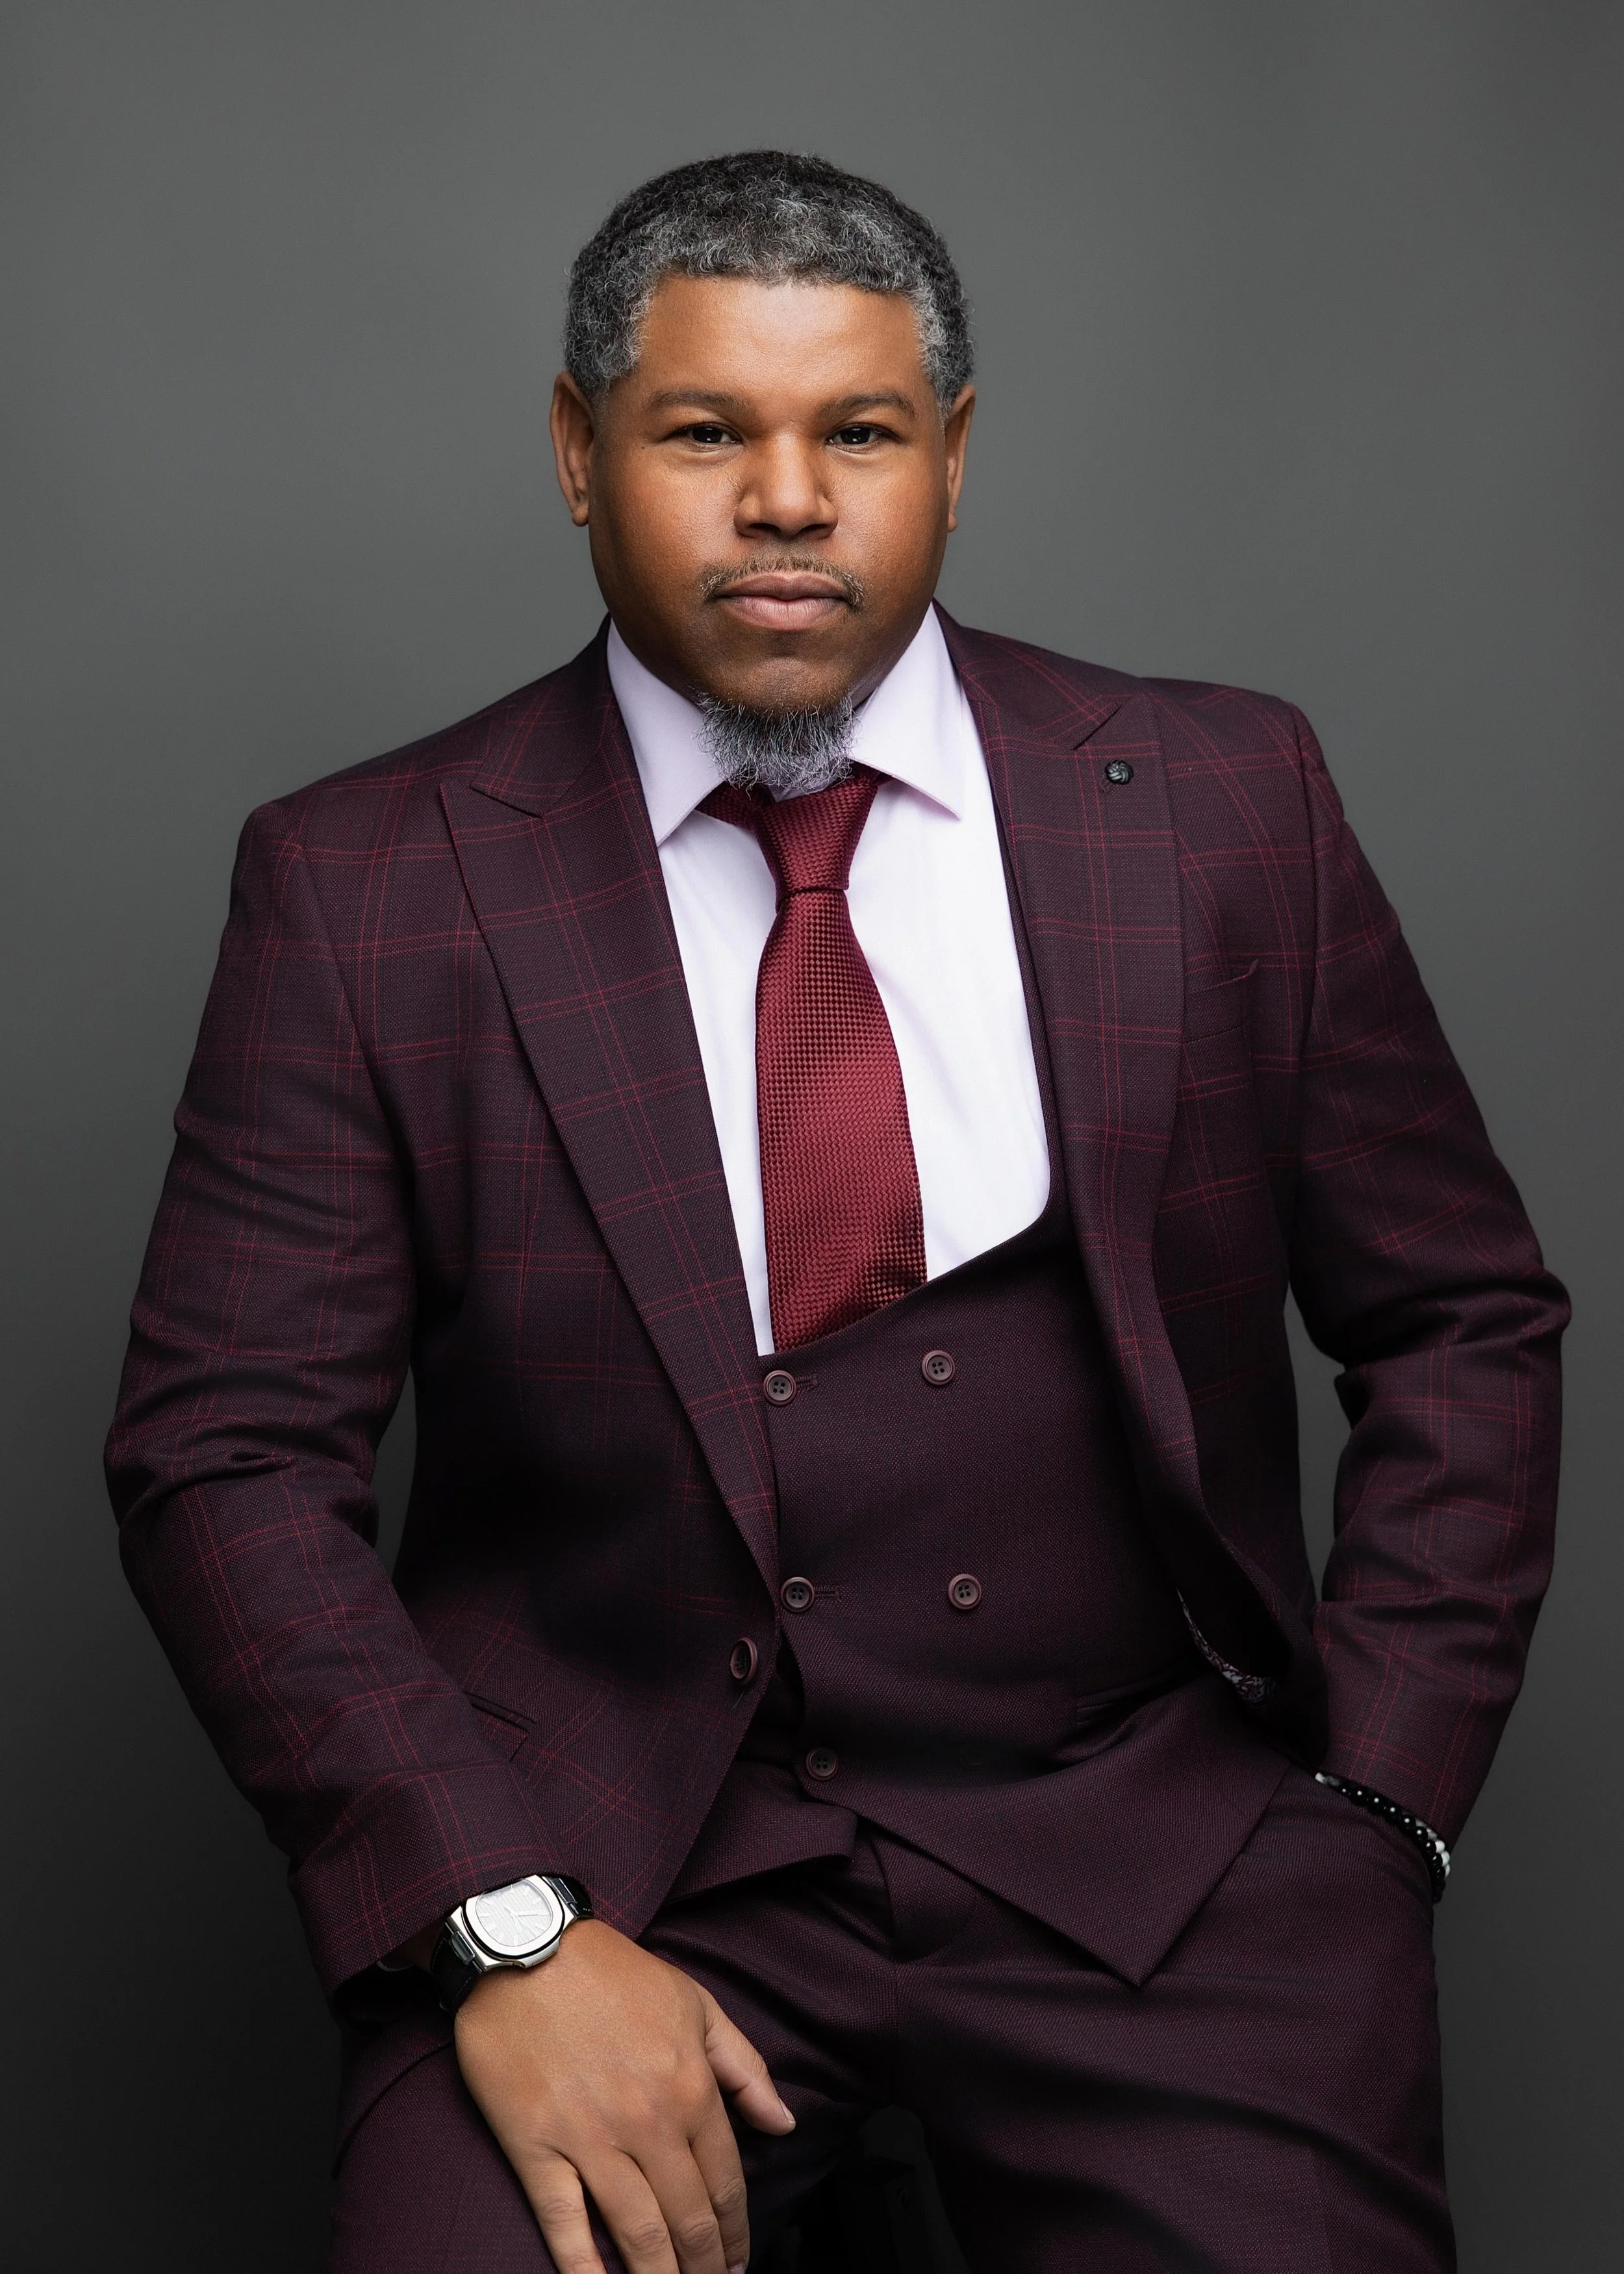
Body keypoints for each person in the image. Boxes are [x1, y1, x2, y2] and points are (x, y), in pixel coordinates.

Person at [107, 151, 1567, 2274]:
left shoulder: (1224, 800)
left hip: (1161, 1855)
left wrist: (1379, 1810)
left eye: (856, 432)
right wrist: (498, 1924)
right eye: (705, 430)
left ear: (949, 457)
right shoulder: (366, 883)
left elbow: (1458, 1316)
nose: (785, 498)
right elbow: (220, 1456)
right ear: (575, 452)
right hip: (612, 1866)